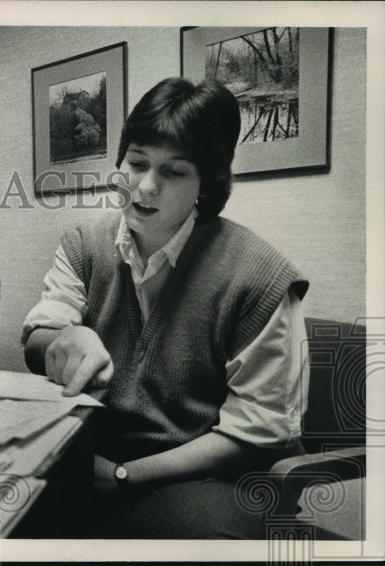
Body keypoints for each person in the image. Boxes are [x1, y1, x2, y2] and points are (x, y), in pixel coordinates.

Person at [21, 77, 309, 539]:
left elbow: (259, 434)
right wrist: (63, 339)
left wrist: (122, 476)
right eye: (136, 163)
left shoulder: (260, 277)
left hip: (202, 477)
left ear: (206, 184)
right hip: (93, 455)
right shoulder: (83, 245)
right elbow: (37, 338)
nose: (146, 186)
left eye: (173, 172)